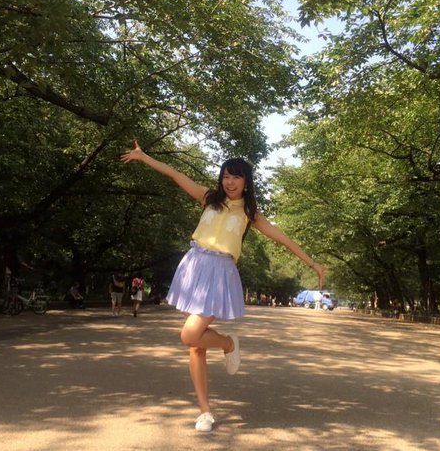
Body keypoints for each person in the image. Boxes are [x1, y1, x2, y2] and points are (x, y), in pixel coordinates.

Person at [121, 140, 325, 432]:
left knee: (190, 335)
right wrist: (143, 157)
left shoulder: (250, 214)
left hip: (219, 273)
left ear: (246, 181)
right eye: (226, 176)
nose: (229, 182)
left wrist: (314, 264)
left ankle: (229, 343)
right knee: (195, 346)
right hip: (193, 266)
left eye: (236, 177)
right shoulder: (209, 198)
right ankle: (205, 412)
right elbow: (175, 174)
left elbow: (282, 238)